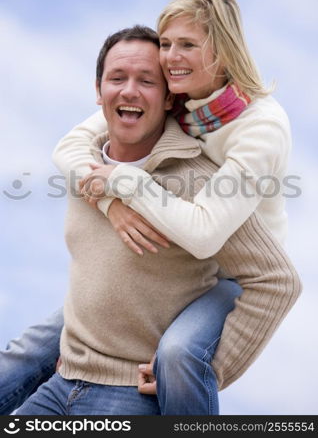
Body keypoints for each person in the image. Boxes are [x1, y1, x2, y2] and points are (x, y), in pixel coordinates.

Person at [1, 25, 300, 416]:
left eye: (146, 81)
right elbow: (71, 149)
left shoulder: (205, 177)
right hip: (63, 382)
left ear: (168, 98)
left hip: (128, 393)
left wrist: (210, 371)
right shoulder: (86, 160)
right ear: (98, 90)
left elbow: (274, 279)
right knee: (24, 353)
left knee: (180, 353)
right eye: (117, 78)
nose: (129, 90)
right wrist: (111, 202)